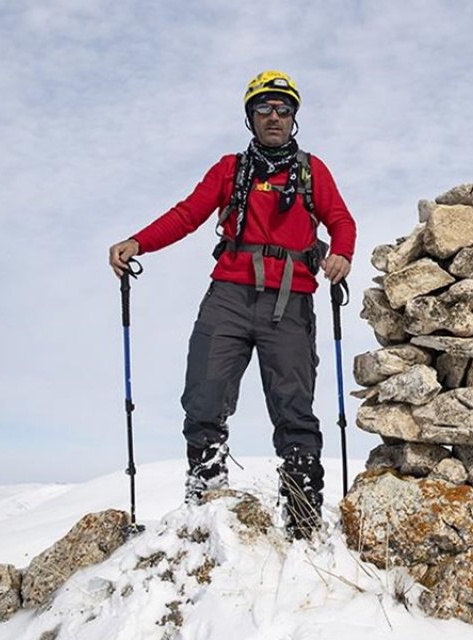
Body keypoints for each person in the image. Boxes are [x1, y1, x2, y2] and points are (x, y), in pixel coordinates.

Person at [108, 70, 356, 539]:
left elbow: (340, 218)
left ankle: (302, 522)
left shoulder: (311, 170)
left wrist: (342, 252)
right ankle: (207, 501)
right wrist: (138, 242)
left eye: (284, 109)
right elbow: (187, 214)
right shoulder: (229, 169)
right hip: (229, 297)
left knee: (294, 409)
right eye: (264, 109)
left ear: (294, 117)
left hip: (291, 301)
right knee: (204, 394)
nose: (275, 117)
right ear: (250, 117)